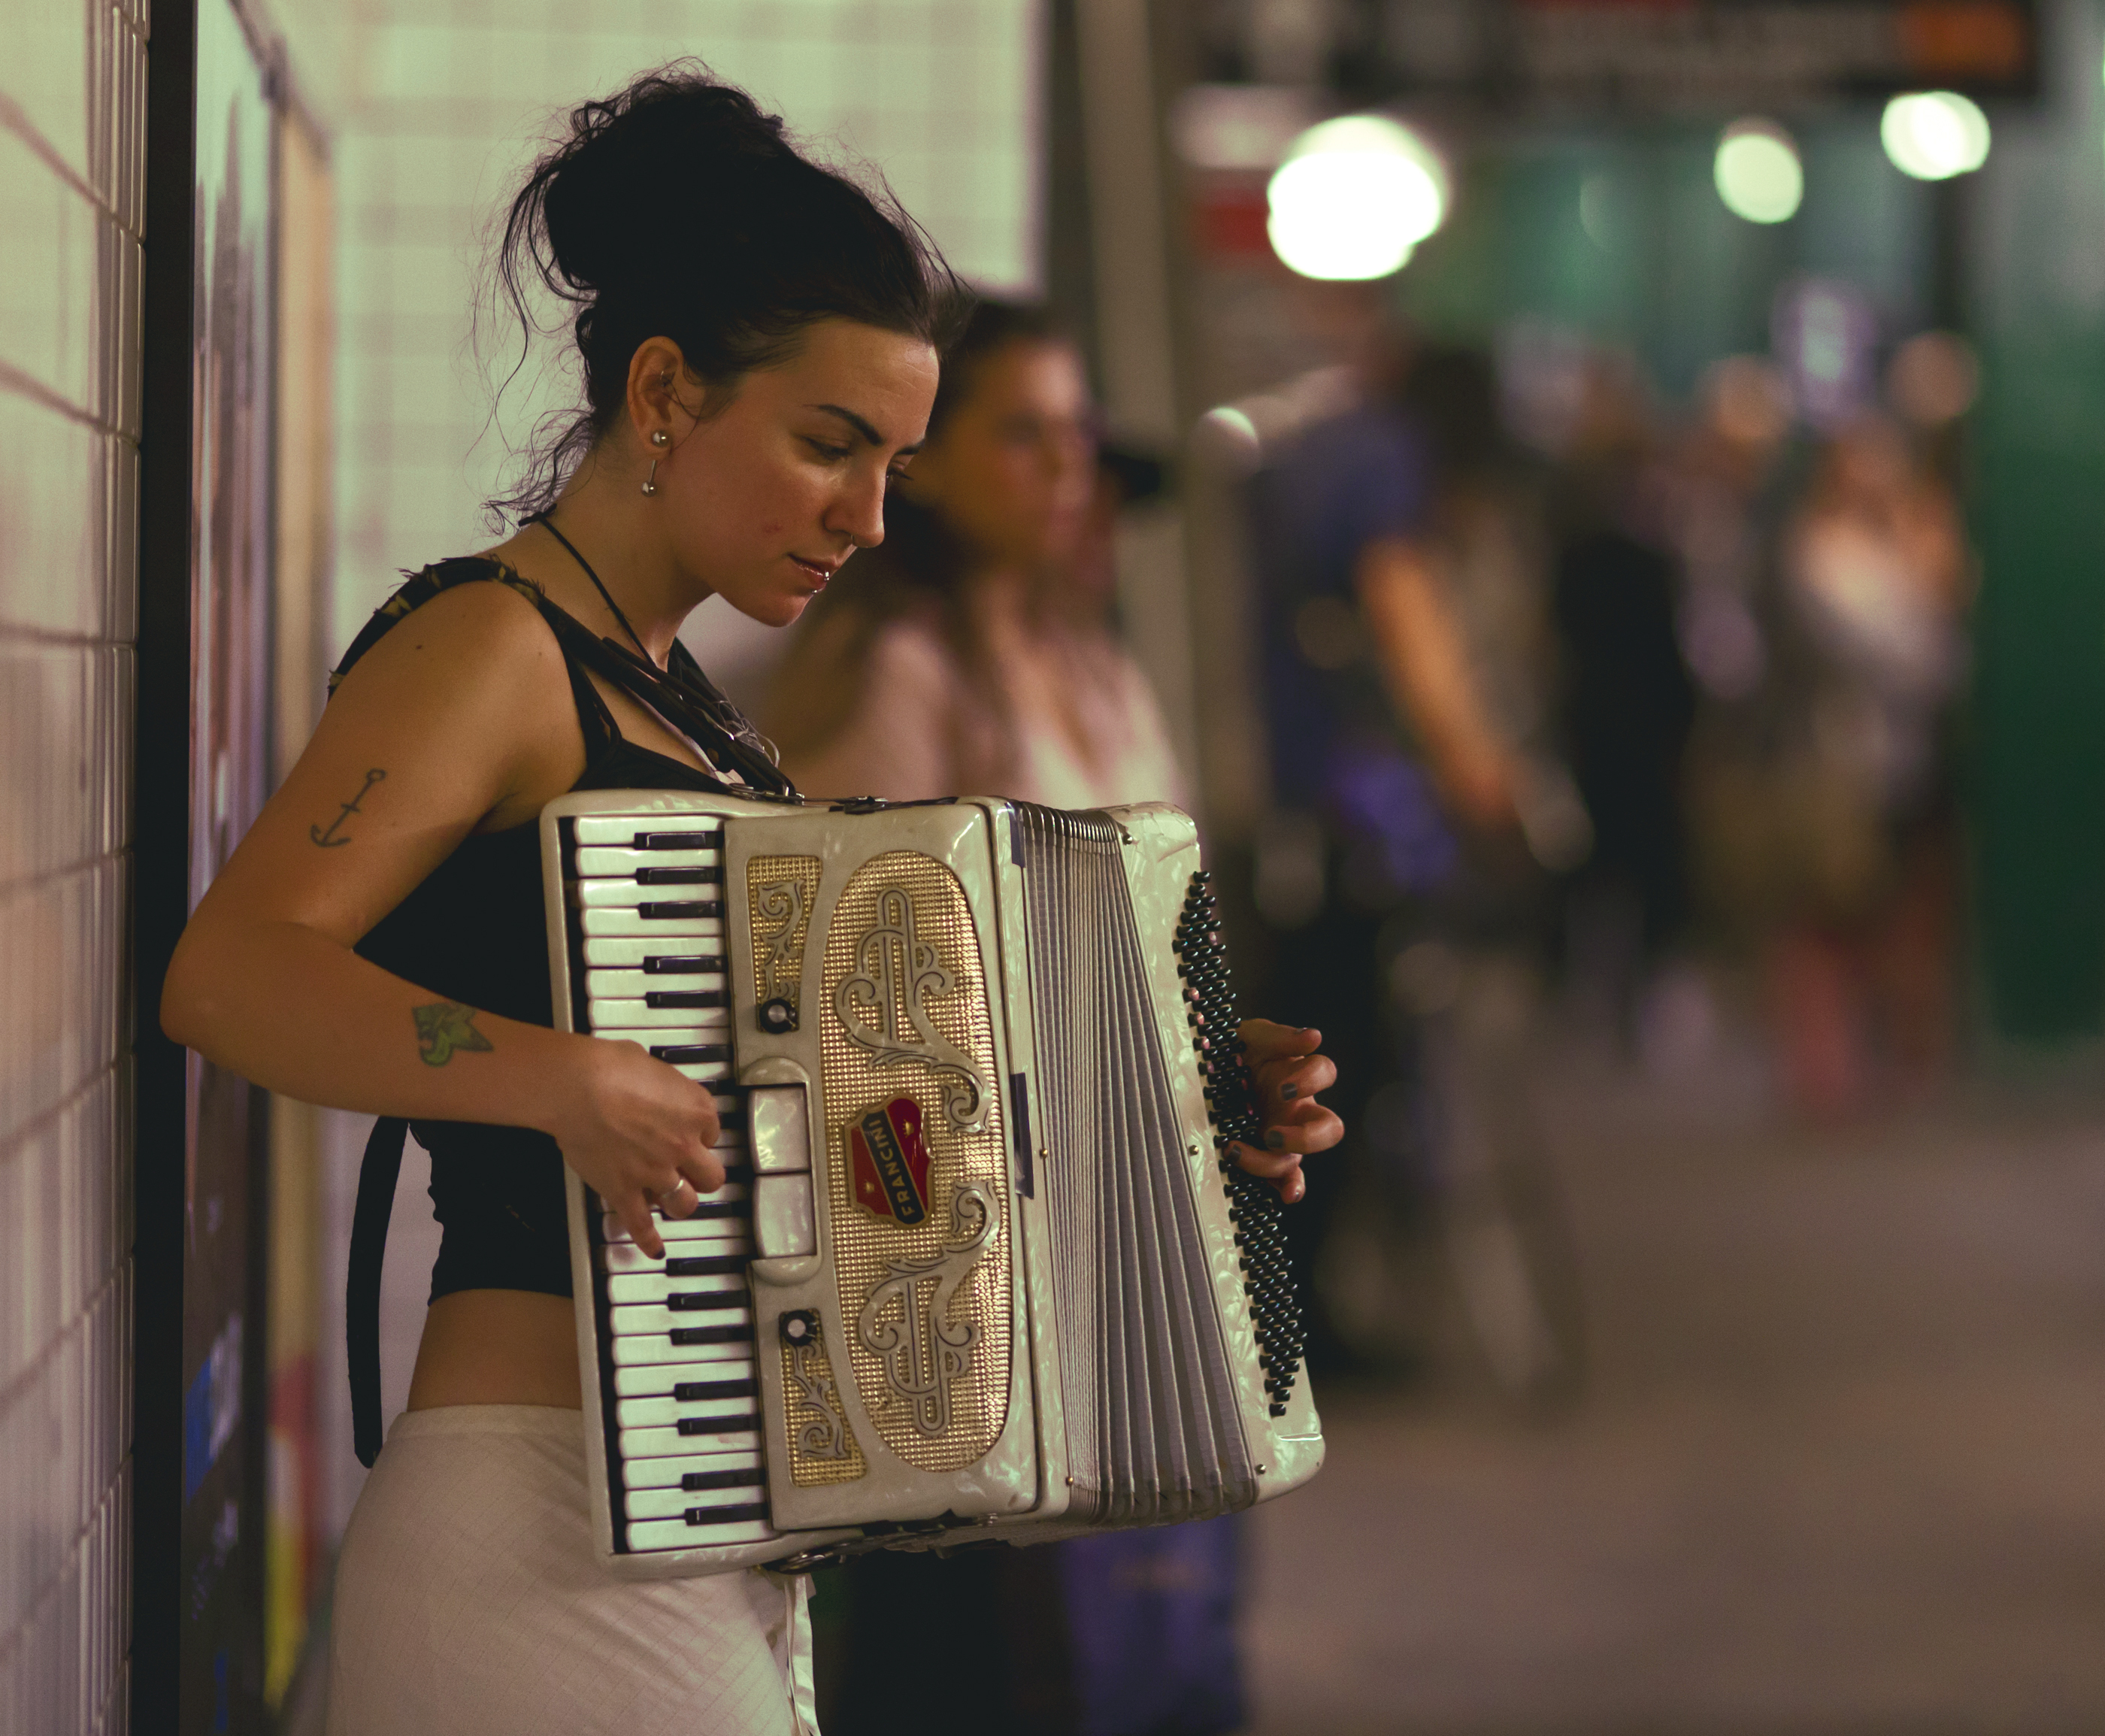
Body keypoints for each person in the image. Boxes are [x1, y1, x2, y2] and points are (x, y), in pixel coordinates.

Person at [158, 68, 1339, 1736]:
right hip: (535, 1517)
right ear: (662, 394)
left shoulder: (687, 707)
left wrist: (1174, 1114)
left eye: (894, 463)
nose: (868, 516)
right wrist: (554, 1078)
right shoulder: (490, 647)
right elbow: (229, 972)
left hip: (705, 1527)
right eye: (827, 446)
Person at [768, 301, 1249, 1736]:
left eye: (1077, 437)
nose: (1065, 470)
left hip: (1126, 1209)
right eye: (1022, 435)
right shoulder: (893, 666)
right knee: (993, 1652)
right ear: (925, 466)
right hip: (972, 1250)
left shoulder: (1087, 651)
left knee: (1145, 1617)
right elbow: (845, 992)